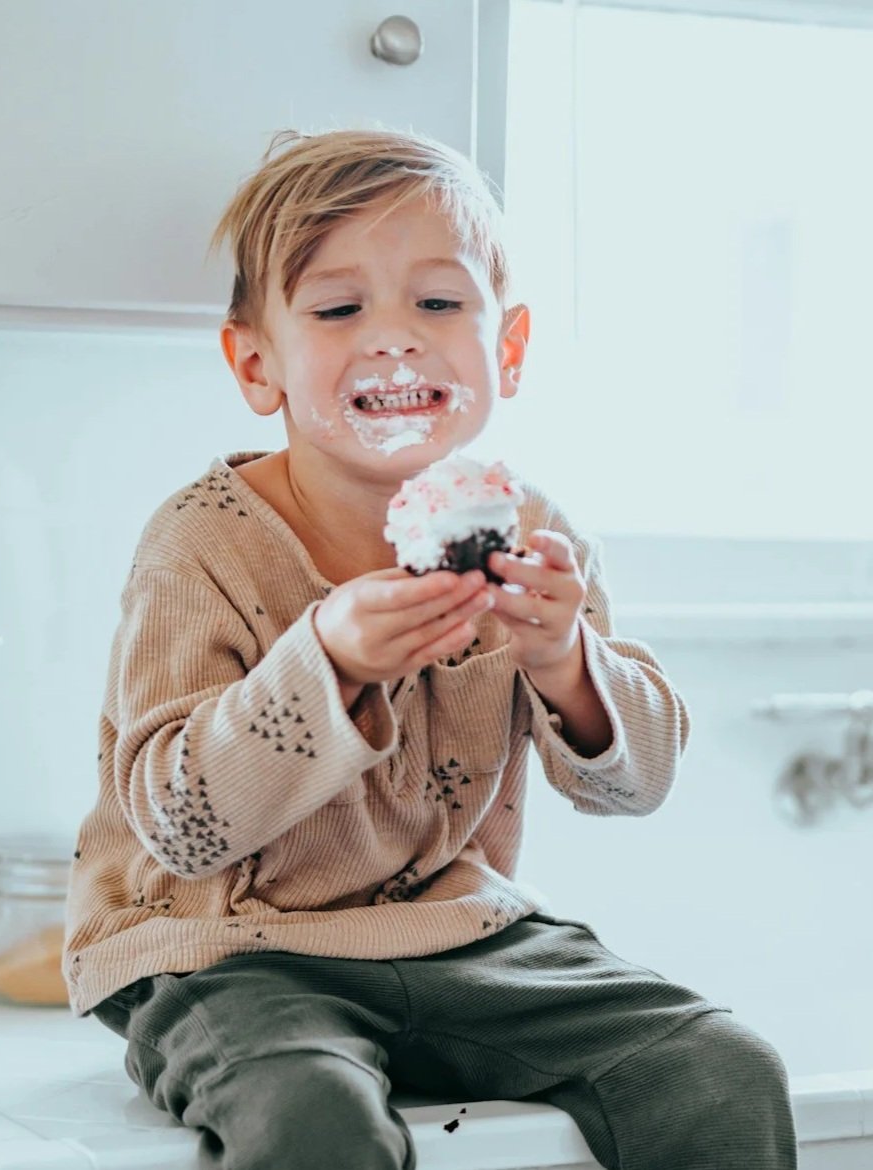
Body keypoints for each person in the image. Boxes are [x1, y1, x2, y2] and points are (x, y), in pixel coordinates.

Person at [63, 127, 797, 1170]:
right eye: (339, 308)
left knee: (724, 1069)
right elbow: (179, 827)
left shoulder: (532, 531)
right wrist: (329, 663)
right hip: (226, 956)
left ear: (510, 348)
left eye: (440, 303)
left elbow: (637, 786)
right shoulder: (202, 542)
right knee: (311, 1120)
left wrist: (564, 661)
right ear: (256, 363)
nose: (397, 340)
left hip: (456, 938)